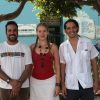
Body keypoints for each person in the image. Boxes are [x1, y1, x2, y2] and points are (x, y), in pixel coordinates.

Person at [59, 19, 99, 100]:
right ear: (65, 31)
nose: (71, 30)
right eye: (68, 28)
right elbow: (62, 66)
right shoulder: (63, 46)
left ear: (77, 28)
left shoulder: (87, 42)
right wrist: (62, 84)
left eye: (74, 27)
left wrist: (97, 81)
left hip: (86, 83)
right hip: (70, 85)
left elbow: (94, 64)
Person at [0, 21, 32, 100]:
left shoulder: (25, 47)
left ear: (17, 32)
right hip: (5, 87)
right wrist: (10, 81)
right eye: (9, 30)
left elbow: (28, 68)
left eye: (14, 30)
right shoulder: (1, 47)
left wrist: (19, 83)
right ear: (6, 32)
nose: (12, 32)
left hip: (23, 87)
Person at [30, 23, 60, 100]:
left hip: (50, 82)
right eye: (39, 31)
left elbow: (57, 66)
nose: (42, 33)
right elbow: (28, 66)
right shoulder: (31, 47)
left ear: (47, 32)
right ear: (36, 32)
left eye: (44, 31)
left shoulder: (53, 47)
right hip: (34, 82)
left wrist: (57, 84)